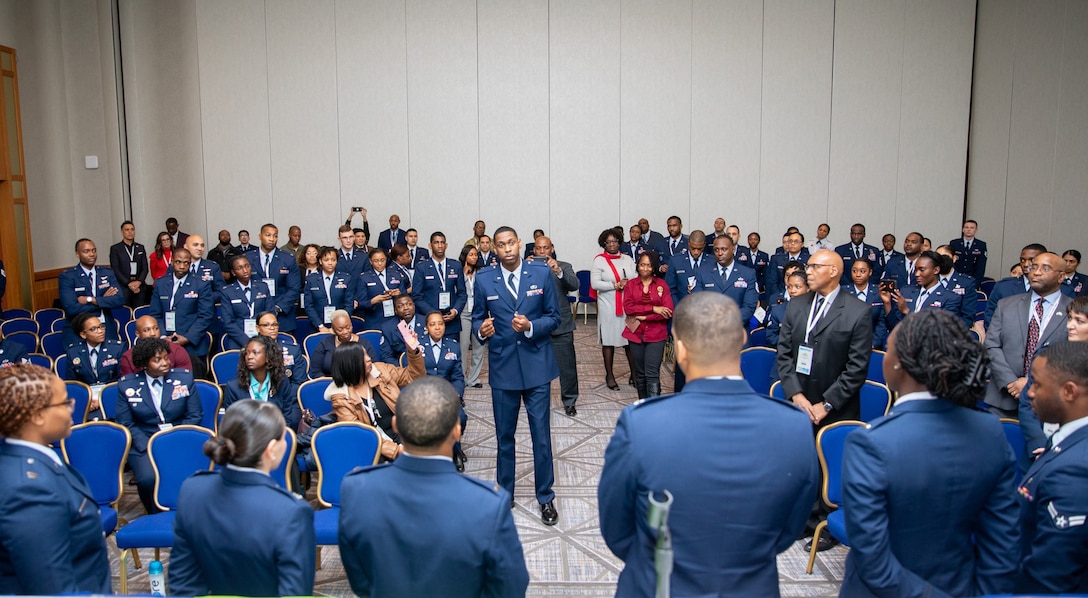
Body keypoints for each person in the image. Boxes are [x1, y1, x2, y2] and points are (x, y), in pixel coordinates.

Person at [599, 292, 818, 597]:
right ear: (742, 338)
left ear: (680, 350)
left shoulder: (642, 424)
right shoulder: (794, 425)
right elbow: (789, 529)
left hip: (661, 585)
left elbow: (617, 529)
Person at [840, 310, 1020, 596]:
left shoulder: (871, 442)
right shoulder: (990, 431)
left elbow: (872, 559)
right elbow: (1004, 540)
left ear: (898, 365)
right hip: (963, 586)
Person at [339, 377, 529, 597]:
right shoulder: (488, 505)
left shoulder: (356, 490)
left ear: (396, 425)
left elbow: (360, 580)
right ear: (457, 431)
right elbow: (510, 589)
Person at [776, 249, 873, 551]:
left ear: (833, 271)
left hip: (836, 406)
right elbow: (784, 355)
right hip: (800, 401)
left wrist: (825, 404)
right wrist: (797, 395)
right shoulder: (797, 305)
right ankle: (803, 521)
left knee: (831, 467)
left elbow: (856, 370)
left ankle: (829, 525)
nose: (808, 271)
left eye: (814, 266)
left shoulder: (857, 311)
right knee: (803, 464)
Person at [169, 399, 315, 596]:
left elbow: (183, 582)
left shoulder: (192, 490)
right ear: (271, 450)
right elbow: (295, 592)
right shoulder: (291, 511)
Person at [473, 226, 561, 524]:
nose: (507, 248)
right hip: (503, 368)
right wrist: (480, 331)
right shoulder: (484, 279)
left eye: (511, 243)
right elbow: (476, 319)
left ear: (519, 244)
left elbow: (554, 317)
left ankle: (546, 497)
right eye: (501, 245)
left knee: (541, 437)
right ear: (494, 249)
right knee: (504, 436)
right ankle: (505, 494)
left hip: (537, 367)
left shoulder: (541, 273)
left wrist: (532, 327)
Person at [0, 364, 112, 594]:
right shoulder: (29, 488)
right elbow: (50, 588)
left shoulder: (32, 460)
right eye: (64, 402)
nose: (73, 408)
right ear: (38, 415)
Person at [1017, 341, 1088, 593]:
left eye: (1036, 383)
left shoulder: (1075, 470)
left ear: (1069, 391)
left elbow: (1050, 577)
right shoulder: (1068, 439)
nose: (1030, 393)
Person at [115, 338, 202, 513]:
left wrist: (173, 439)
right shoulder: (127, 385)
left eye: (166, 357)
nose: (165, 363)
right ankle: (155, 514)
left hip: (178, 436)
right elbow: (125, 422)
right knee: (147, 478)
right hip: (144, 440)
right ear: (144, 363)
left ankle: (188, 513)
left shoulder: (183, 378)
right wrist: (148, 444)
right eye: (157, 360)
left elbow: (195, 415)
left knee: (188, 473)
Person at [984, 252, 1072, 417]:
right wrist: (1011, 381)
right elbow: (991, 345)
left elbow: (1074, 357)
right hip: (1003, 399)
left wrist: (1031, 382)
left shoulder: (1072, 310)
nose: (1036, 272)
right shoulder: (1006, 305)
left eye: (1045, 268)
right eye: (1033, 267)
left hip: (1050, 403)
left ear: (1061, 277)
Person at [325, 334, 424, 461]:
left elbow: (414, 377)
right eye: (363, 357)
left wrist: (413, 351)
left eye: (367, 354)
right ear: (350, 364)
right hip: (376, 448)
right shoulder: (342, 398)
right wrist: (397, 450)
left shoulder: (380, 371)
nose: (368, 359)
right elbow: (360, 436)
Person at [1019, 296, 1088, 471]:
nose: (1070, 325)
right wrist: (1039, 443)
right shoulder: (1048, 354)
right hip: (1040, 451)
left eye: (1079, 321)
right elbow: (1027, 402)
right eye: (1070, 318)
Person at [148, 247, 213, 378]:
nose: (182, 266)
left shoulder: (200, 284)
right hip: (164, 344)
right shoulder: (161, 283)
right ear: (172, 262)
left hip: (192, 345)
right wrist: (163, 337)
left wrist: (187, 338)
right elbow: (155, 314)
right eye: (178, 262)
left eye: (186, 263)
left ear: (190, 264)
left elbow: (206, 315)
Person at [534, 236, 580, 414]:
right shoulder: (528, 268)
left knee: (567, 367)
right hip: (537, 324)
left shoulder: (564, 266)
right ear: (534, 250)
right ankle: (537, 399)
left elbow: (574, 284)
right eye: (539, 248)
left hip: (561, 324)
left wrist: (558, 271)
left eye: (546, 248)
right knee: (536, 366)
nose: (542, 251)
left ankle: (569, 400)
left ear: (551, 248)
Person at [420, 311, 468, 470]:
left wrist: (456, 395)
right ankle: (450, 453)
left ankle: (454, 449)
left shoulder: (453, 346)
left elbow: (458, 377)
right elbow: (411, 376)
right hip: (424, 395)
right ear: (426, 327)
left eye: (440, 323)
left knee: (459, 417)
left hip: (447, 394)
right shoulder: (417, 347)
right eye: (433, 324)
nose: (437, 327)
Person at [622, 252, 673, 399]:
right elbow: (629, 308)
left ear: (654, 267)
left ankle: (652, 408)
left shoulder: (662, 285)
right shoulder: (631, 284)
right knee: (640, 372)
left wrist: (644, 316)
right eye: (642, 264)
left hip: (656, 335)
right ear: (638, 265)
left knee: (652, 373)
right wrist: (654, 309)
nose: (645, 268)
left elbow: (668, 311)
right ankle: (642, 405)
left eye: (649, 265)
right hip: (635, 333)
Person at [223, 335, 300, 430]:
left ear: (268, 356)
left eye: (255, 353)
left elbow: (286, 416)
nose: (249, 357)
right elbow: (232, 423)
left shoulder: (282, 382)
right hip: (245, 439)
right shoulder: (233, 387)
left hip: (275, 437)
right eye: (247, 353)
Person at [591, 228, 636, 391]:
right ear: (604, 243)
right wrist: (614, 285)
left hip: (628, 306)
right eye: (608, 241)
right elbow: (595, 284)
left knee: (630, 342)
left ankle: (635, 375)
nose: (611, 244)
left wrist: (628, 284)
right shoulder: (599, 261)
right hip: (608, 306)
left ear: (619, 242)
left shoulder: (628, 259)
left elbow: (637, 278)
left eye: (614, 241)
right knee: (609, 341)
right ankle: (609, 375)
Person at [58, 238, 126, 347]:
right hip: (79, 331)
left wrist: (92, 300)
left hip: (106, 328)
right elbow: (71, 308)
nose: (92, 254)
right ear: (77, 254)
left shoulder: (107, 273)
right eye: (86, 251)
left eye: (94, 250)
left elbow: (119, 300)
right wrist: (103, 301)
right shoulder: (68, 276)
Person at [882, 250, 963, 331]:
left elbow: (942, 330)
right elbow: (894, 327)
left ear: (936, 270)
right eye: (916, 270)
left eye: (922, 270)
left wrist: (907, 311)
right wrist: (887, 303)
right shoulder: (906, 291)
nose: (917, 274)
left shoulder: (950, 298)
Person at [693, 234, 759, 328]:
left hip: (738, 332)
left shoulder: (748, 274)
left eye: (724, 249)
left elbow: (749, 306)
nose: (720, 253)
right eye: (716, 249)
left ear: (733, 249)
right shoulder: (702, 272)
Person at [247, 223, 301, 334]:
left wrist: (277, 308)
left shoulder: (287, 259)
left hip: (282, 317)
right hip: (255, 314)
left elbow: (294, 288)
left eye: (275, 236)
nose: (272, 239)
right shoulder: (248, 258)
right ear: (260, 236)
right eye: (268, 235)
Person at [412, 231, 466, 338]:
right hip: (430, 323)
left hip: (451, 322)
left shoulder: (456, 265)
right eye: (436, 242)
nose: (440, 246)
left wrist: (455, 311)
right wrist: (433, 314)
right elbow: (417, 296)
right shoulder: (422, 267)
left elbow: (462, 293)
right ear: (430, 246)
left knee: (452, 353)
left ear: (446, 245)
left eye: (442, 242)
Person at [64, 313, 123, 407]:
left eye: (101, 326)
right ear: (83, 334)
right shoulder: (73, 352)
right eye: (93, 329)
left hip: (112, 396)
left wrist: (103, 399)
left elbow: (123, 380)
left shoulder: (117, 348)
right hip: (86, 398)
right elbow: (72, 383)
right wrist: (86, 400)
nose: (100, 331)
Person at [984, 243, 1047, 327]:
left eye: (1031, 260)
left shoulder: (1056, 288)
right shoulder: (1004, 287)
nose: (1026, 264)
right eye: (1023, 260)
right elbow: (990, 317)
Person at [220, 254, 273, 350]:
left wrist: (262, 337)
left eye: (247, 266)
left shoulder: (262, 287)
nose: (245, 271)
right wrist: (246, 341)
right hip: (239, 339)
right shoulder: (227, 292)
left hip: (263, 337)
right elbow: (228, 322)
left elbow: (270, 313)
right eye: (239, 268)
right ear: (233, 272)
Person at [307, 310, 378, 378]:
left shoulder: (364, 344)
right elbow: (316, 371)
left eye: (348, 327)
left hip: (359, 383)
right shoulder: (325, 344)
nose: (345, 332)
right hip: (330, 383)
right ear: (333, 329)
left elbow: (374, 367)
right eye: (340, 330)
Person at [119, 315, 192, 375]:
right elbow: (129, 387)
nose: (153, 333)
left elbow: (184, 379)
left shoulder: (177, 350)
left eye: (156, 328)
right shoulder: (128, 357)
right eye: (147, 330)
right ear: (137, 334)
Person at [304, 246, 355, 333]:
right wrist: (320, 326)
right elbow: (309, 305)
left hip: (341, 327)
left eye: (333, 260)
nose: (330, 263)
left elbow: (349, 304)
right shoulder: (311, 279)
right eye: (326, 260)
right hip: (317, 325)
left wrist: (339, 325)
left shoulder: (346, 278)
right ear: (320, 261)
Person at [841, 258, 888, 350]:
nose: (858, 275)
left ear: (870, 272)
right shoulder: (842, 292)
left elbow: (881, 322)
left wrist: (874, 343)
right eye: (854, 271)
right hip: (846, 345)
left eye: (862, 271)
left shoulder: (878, 292)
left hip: (872, 344)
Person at [356, 247, 409, 328]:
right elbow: (360, 303)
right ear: (370, 261)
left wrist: (399, 295)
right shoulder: (364, 278)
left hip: (395, 319)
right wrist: (373, 301)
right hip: (374, 320)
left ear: (386, 259)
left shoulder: (396, 274)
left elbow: (405, 297)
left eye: (382, 260)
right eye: (376, 261)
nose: (380, 263)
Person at [253, 311, 307, 388]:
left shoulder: (292, 350)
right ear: (258, 328)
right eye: (266, 325)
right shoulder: (250, 351)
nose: (272, 328)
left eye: (275, 324)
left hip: (286, 397)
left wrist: (285, 398)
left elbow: (299, 382)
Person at [458, 244, 485, 388]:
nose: (474, 257)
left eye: (476, 255)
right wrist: (463, 273)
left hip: (478, 313)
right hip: (464, 313)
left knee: (478, 347)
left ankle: (473, 378)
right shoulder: (458, 271)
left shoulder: (481, 272)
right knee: (462, 347)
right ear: (465, 256)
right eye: (471, 255)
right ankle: (461, 378)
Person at [934, 244, 980, 328]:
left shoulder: (966, 282)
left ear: (954, 258)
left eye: (945, 257)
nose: (942, 260)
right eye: (938, 257)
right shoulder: (929, 280)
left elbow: (967, 316)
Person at [109, 220, 150, 307]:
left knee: (139, 312)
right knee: (125, 313)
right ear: (122, 232)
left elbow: (145, 268)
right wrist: (128, 283)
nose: (130, 232)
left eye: (132, 229)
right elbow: (115, 269)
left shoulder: (140, 248)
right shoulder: (115, 249)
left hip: (139, 286)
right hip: (124, 287)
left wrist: (138, 282)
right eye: (127, 230)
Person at [766, 270, 810, 349]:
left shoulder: (816, 310)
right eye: (789, 287)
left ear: (808, 288)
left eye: (798, 287)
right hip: (784, 354)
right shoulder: (778, 310)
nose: (792, 291)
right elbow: (771, 337)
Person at [380, 294, 428, 365]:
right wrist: (402, 368)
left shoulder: (426, 322)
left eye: (409, 304)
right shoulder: (387, 328)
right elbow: (386, 356)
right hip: (401, 368)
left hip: (426, 366)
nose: (406, 308)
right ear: (395, 310)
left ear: (414, 306)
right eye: (400, 306)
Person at [766, 231, 810, 299]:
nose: (792, 243)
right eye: (790, 241)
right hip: (781, 295)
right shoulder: (777, 258)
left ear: (802, 244)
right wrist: (779, 296)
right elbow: (773, 282)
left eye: (796, 241)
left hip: (802, 297)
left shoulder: (809, 259)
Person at [185, 234, 226, 301]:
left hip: (206, 307)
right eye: (195, 245)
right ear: (186, 246)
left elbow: (221, 291)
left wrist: (203, 297)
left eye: (202, 245)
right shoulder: (176, 267)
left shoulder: (213, 267)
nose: (200, 248)